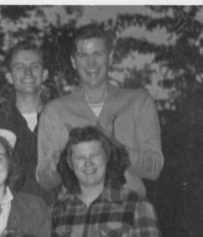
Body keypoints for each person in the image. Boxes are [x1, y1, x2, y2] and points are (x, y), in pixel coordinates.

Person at [36, 24, 163, 196]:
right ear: (73, 62)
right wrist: (67, 157)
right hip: (76, 208)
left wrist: (116, 146)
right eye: (83, 56)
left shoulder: (138, 102)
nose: (91, 63)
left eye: (98, 54)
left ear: (110, 56)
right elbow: (44, 180)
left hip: (128, 205)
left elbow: (155, 168)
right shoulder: (55, 111)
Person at [0, 40, 50, 202]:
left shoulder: (60, 119)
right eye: (19, 67)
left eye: (35, 66)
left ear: (44, 74)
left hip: (55, 213)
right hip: (9, 213)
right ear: (9, 77)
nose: (28, 73)